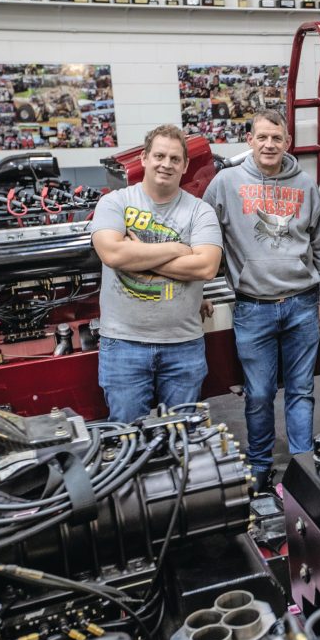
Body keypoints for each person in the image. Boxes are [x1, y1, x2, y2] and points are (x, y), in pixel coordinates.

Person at [202, 110, 320, 492]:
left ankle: (304, 465)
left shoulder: (306, 185)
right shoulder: (225, 183)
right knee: (257, 393)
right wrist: (203, 290)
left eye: (277, 137)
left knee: (301, 390)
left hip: (301, 304)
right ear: (250, 140)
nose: (269, 144)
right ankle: (259, 466)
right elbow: (205, 237)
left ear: (287, 141)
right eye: (262, 137)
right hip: (252, 306)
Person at [91, 124, 222, 423]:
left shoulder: (200, 212)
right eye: (159, 156)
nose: (167, 164)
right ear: (144, 158)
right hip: (123, 344)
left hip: (183, 346)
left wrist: (136, 256)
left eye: (175, 159)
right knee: (127, 438)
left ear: (186, 165)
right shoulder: (115, 203)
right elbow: (112, 254)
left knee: (183, 440)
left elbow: (206, 267)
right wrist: (178, 248)